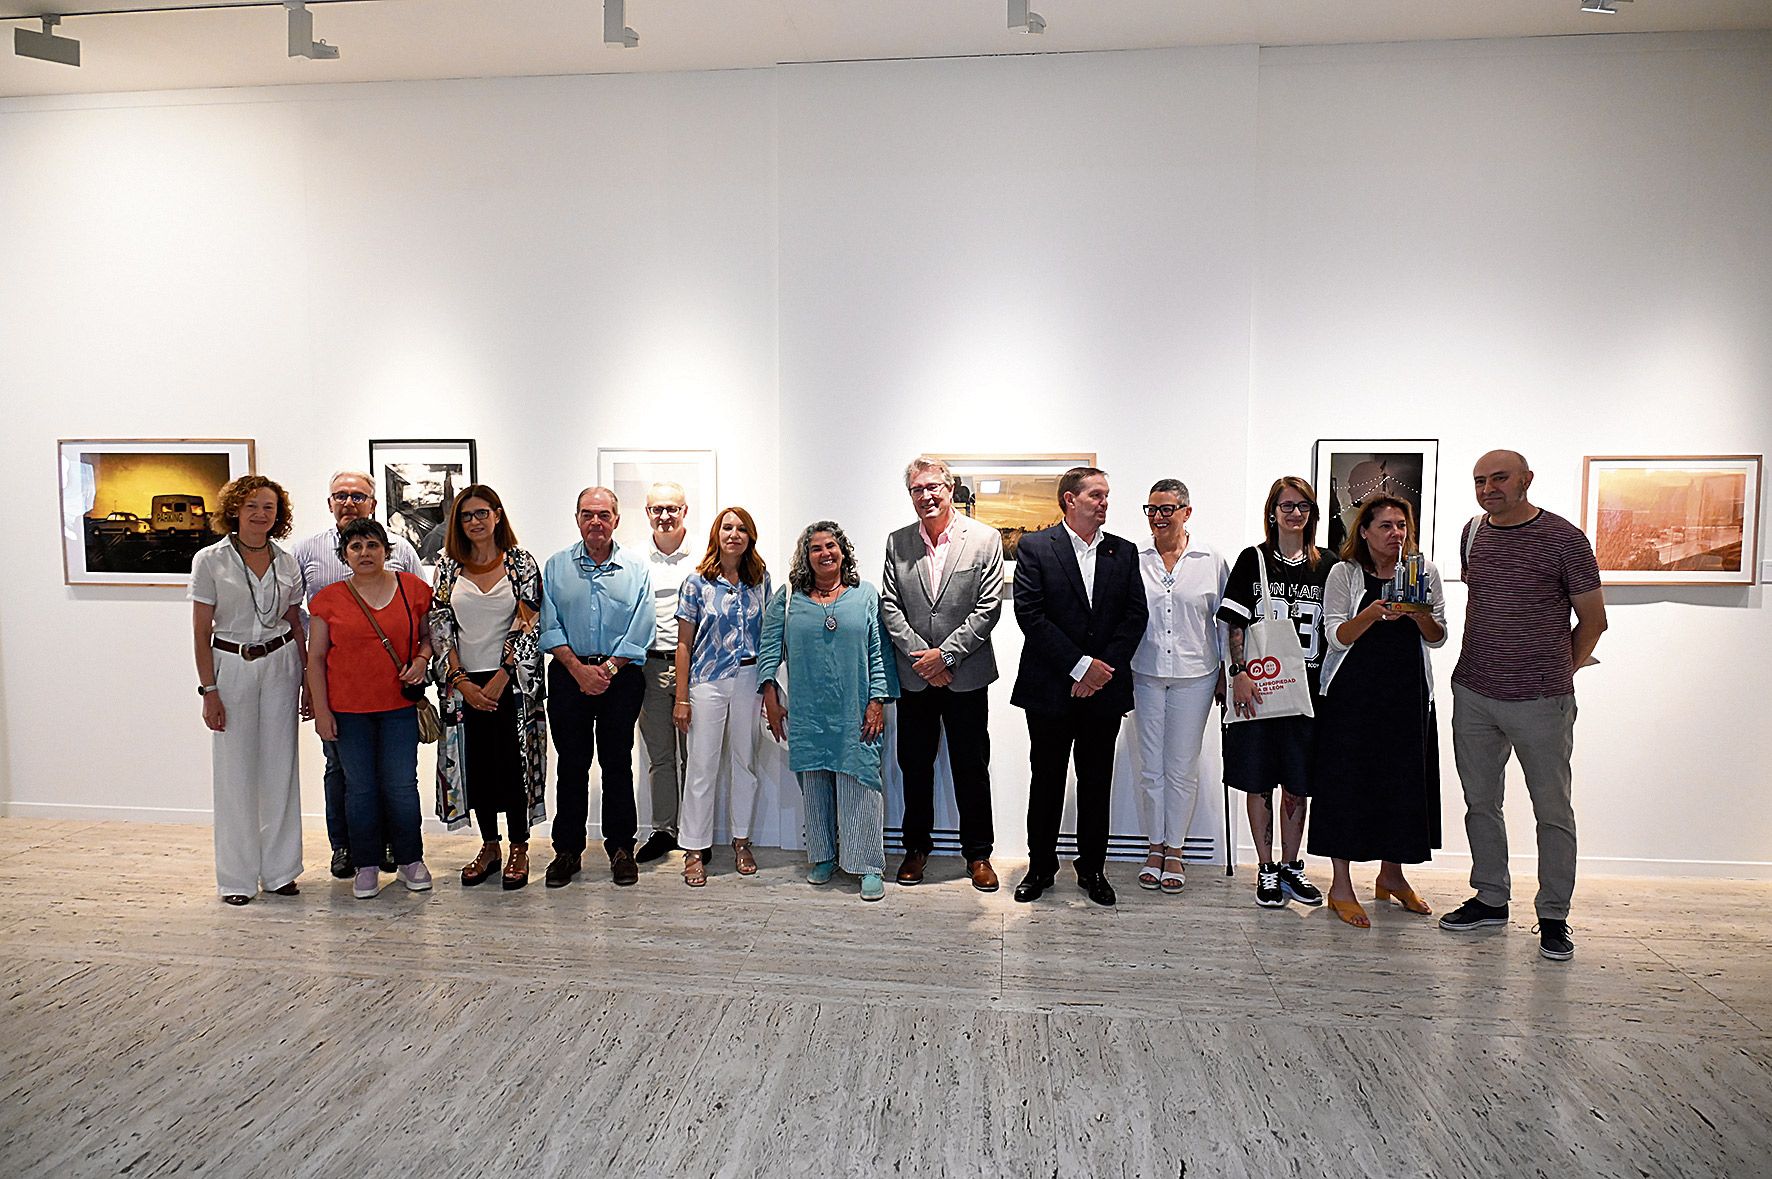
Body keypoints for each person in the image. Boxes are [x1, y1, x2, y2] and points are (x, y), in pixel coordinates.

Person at [1440, 450, 1606, 962]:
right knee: (1480, 803)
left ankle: (1553, 914)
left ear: (1527, 480)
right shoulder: (1472, 533)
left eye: (1499, 478)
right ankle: (1490, 897)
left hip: (1541, 699)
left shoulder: (1563, 539)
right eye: (1479, 480)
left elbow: (1594, 620)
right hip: (1475, 692)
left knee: (1551, 810)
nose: (1488, 488)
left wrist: (1559, 673)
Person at [1009, 467, 1148, 908]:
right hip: (1050, 688)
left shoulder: (1122, 551)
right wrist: (1080, 666)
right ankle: (1040, 867)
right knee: (1046, 781)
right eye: (1096, 495)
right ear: (1069, 500)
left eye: (1107, 495)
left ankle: (1093, 870)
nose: (1105, 502)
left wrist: (1100, 671)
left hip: (1104, 690)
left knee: (1096, 782)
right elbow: (1030, 615)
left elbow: (1135, 616)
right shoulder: (1035, 547)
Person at [1309, 497, 1447, 928]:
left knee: (1401, 785)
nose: (1396, 534)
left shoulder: (1423, 573)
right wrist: (1371, 613)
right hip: (1352, 697)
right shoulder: (1344, 573)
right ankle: (1341, 886)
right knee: (1346, 786)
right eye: (1385, 526)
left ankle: (1392, 875)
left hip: (1406, 696)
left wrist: (1418, 614)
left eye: (1401, 525)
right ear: (1364, 532)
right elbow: (1336, 637)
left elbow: (1438, 636)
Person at [879, 457, 1005, 892]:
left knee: (971, 766)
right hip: (915, 677)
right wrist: (924, 658)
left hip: (966, 676)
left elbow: (989, 607)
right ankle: (916, 849)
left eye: (934, 487)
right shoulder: (897, 542)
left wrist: (945, 657)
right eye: (918, 489)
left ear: (950, 489)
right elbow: (890, 605)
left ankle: (978, 854)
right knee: (914, 766)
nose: (926, 496)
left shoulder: (985, 539)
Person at [293, 470, 424, 879]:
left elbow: (425, 622)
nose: (349, 502)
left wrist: (422, 659)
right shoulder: (308, 554)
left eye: (358, 495)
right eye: (341, 495)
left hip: (395, 697)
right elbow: (302, 627)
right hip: (343, 696)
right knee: (348, 777)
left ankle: (397, 849)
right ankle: (349, 850)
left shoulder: (405, 557)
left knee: (397, 781)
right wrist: (315, 698)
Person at [758, 521, 897, 902]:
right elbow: (769, 648)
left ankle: (867, 865)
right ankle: (823, 856)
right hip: (807, 710)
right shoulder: (789, 598)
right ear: (806, 557)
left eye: (831, 545)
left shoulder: (865, 595)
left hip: (855, 709)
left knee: (861, 784)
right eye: (816, 548)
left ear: (843, 552)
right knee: (815, 782)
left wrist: (877, 701)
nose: (825, 553)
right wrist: (770, 698)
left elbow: (879, 653)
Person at [190, 475, 307, 905]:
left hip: (281, 664)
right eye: (252, 505)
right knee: (235, 772)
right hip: (231, 664)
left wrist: (308, 682)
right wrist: (209, 690)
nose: (260, 513)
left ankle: (280, 871)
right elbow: (201, 631)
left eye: (269, 507)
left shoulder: (287, 561)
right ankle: (237, 879)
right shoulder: (210, 560)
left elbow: (295, 624)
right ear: (235, 510)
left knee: (281, 768)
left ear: (279, 514)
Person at [1217, 476, 1331, 909]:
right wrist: (1238, 673)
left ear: (1312, 512)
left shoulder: (1329, 564)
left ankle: (1291, 865)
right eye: (1287, 505)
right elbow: (1235, 622)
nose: (1295, 513)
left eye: (1303, 506)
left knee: (1298, 785)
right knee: (1259, 781)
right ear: (1272, 511)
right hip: (1261, 690)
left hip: (1308, 694)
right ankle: (1266, 868)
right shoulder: (1254, 559)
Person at [428, 485, 548, 891]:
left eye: (482, 513)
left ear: (497, 515)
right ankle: (490, 846)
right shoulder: (447, 567)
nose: (475, 521)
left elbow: (530, 623)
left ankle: (519, 847)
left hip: (512, 686)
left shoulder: (520, 563)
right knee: (476, 768)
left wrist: (502, 677)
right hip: (464, 685)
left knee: (513, 768)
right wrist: (460, 680)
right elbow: (440, 624)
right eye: (466, 516)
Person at [537, 487, 656, 888]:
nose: (596, 522)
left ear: (616, 520)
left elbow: (642, 625)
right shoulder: (556, 566)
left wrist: (606, 669)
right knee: (572, 765)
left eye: (604, 515)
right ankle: (567, 851)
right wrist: (578, 669)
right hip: (568, 675)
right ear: (577, 519)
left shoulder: (635, 569)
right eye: (588, 514)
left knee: (617, 763)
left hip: (620, 677)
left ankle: (621, 849)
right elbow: (549, 624)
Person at [1130, 479, 1228, 895]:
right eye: (1152, 509)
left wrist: (1227, 671)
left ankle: (1176, 850)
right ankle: (1154, 847)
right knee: (1151, 766)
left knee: (1182, 766)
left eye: (1167, 509)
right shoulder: (1135, 558)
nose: (1158, 517)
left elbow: (1224, 620)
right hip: (1146, 671)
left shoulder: (1211, 559)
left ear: (1186, 512)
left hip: (1196, 674)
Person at [672, 507, 772, 886]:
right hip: (707, 681)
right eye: (727, 527)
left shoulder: (760, 581)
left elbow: (769, 635)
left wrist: (770, 685)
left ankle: (741, 841)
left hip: (749, 678)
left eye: (742, 528)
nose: (734, 534)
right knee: (702, 765)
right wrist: (682, 697)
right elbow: (684, 645)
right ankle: (694, 849)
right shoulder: (696, 582)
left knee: (745, 762)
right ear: (717, 533)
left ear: (750, 537)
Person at [635, 482, 695, 865]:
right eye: (657, 509)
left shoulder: (703, 558)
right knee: (660, 757)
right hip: (651, 666)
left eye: (672, 508)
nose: (665, 515)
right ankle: (663, 830)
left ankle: (694, 832)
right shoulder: (636, 560)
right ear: (648, 513)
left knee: (695, 757)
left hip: (695, 668)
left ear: (685, 511)